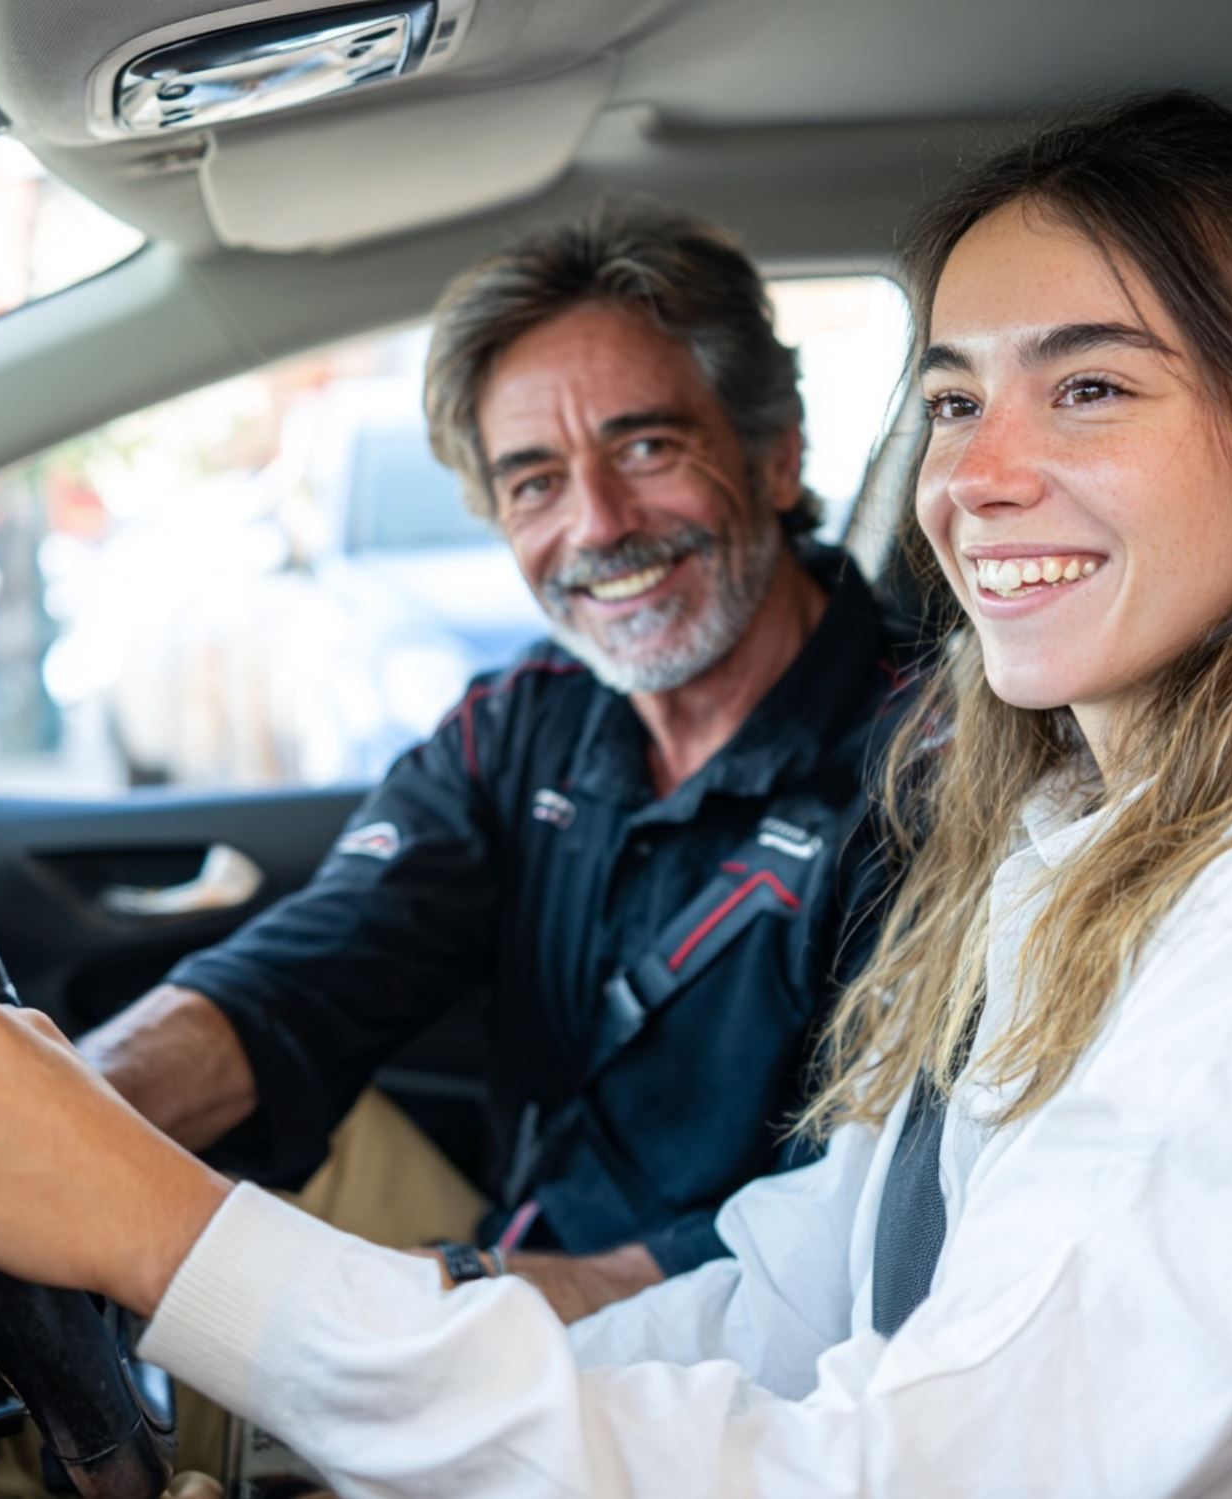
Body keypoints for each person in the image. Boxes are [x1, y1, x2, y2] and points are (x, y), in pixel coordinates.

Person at [0, 88, 1232, 1497]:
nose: (982, 475)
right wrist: (89, 1142)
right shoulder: (1063, 827)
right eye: (952, 400)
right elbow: (805, 1281)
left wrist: (170, 1239)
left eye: (1088, 387)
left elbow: (894, 1453)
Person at [69, 200, 913, 1324]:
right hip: (524, 1260)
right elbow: (308, 974)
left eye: (647, 445)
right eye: (534, 482)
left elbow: (857, 1229)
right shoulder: (525, 720)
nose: (598, 523)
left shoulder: (926, 768)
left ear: (774, 459)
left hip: (738, 1348)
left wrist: (452, 1300)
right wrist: (63, 1112)